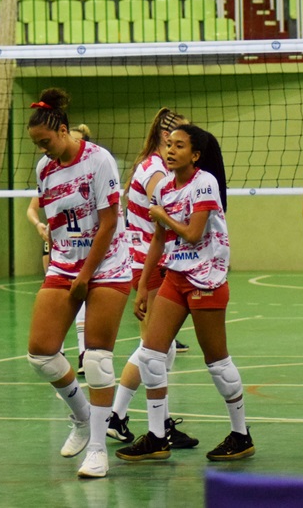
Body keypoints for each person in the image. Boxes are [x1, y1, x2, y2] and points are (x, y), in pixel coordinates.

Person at [115, 124, 255, 464]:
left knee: (217, 363)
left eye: (179, 146)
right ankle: (156, 437)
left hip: (207, 279)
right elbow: (158, 239)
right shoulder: (163, 186)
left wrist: (162, 216)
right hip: (175, 276)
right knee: (151, 355)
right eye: (169, 145)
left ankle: (241, 434)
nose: (171, 150)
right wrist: (142, 287)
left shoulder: (205, 183)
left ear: (195, 155)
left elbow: (193, 234)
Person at [24, 88, 131, 479]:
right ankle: (82, 417)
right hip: (65, 263)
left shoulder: (99, 159)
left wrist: (85, 276)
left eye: (46, 142)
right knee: (40, 353)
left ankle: (99, 450)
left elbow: (109, 222)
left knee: (97, 359)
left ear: (63, 130)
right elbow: (55, 220)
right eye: (37, 145)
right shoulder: (44, 169)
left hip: (108, 264)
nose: (43, 150)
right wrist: (60, 265)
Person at [107, 108, 198, 450]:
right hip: (150, 263)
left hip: (155, 262)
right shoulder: (155, 172)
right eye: (181, 135)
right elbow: (173, 214)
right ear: (165, 136)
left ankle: (123, 418)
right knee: (155, 348)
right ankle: (130, 420)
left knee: (161, 346)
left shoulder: (155, 166)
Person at [26, 124, 92, 374]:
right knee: (56, 292)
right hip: (58, 241)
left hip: (86, 244)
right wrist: (39, 225)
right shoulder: (48, 171)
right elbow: (32, 209)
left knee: (81, 295)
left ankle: (84, 353)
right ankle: (58, 351)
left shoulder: (92, 167)